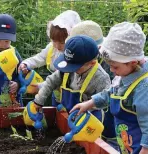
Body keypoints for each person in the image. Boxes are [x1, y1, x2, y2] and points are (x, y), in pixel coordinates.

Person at [70, 22, 148, 154]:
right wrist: (89, 103)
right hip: (126, 145)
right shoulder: (125, 74)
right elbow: (110, 93)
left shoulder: (143, 89)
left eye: (115, 67)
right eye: (109, 65)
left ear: (133, 62)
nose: (111, 70)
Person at [31, 35, 111, 121]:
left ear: (92, 63)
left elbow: (106, 100)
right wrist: (39, 100)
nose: (70, 70)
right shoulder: (66, 69)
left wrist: (89, 105)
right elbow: (51, 81)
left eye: (75, 67)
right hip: (67, 115)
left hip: (88, 121)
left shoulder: (101, 78)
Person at [68, 20, 117, 149]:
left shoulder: (108, 67)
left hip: (109, 114)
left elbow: (111, 94)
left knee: (110, 140)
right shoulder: (82, 64)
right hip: (93, 108)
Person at [19, 10, 81, 106]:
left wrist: (41, 87)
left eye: (61, 42)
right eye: (53, 41)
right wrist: (26, 64)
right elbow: (39, 58)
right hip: (56, 95)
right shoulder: (52, 49)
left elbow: (59, 77)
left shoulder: (73, 55)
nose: (57, 45)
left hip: (71, 98)